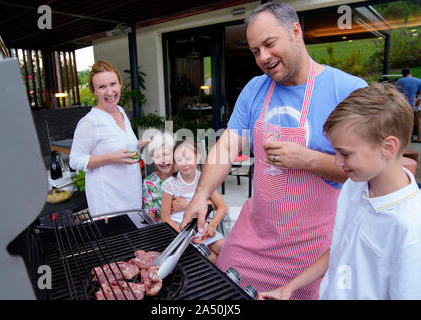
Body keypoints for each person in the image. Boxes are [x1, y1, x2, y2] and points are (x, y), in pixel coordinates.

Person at [181, 2, 367, 299]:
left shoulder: (347, 90)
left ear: (295, 32)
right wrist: (201, 195)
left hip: (314, 245)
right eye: (255, 51)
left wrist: (308, 159)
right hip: (254, 236)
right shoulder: (255, 89)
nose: (263, 57)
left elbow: (366, 169)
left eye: (269, 44)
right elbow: (227, 145)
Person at [258, 83, 421, 300]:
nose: (336, 162)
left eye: (345, 153)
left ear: (388, 147)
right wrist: (288, 288)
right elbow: (342, 249)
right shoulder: (354, 186)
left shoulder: (410, 227)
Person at [69, 60, 148, 217]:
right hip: (108, 200)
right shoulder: (90, 122)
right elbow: (75, 160)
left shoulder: (120, 111)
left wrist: (142, 143)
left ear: (120, 85)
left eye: (113, 84)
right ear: (94, 91)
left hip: (131, 192)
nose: (109, 92)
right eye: (102, 87)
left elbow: (118, 143)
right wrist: (111, 158)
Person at [161, 140, 226, 263]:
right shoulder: (170, 184)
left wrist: (212, 225)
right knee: (212, 259)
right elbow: (165, 217)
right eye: (179, 159)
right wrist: (185, 237)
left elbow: (221, 206)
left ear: (198, 157)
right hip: (180, 231)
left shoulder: (204, 179)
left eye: (189, 158)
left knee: (228, 252)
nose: (184, 163)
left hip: (203, 229)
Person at [142, 132, 190, 222]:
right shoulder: (149, 183)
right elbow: (150, 220)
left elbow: (211, 204)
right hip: (166, 231)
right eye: (157, 156)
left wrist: (188, 204)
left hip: (192, 229)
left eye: (167, 154)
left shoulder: (186, 172)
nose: (163, 161)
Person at [396, 68, 421, 142]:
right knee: (412, 119)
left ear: (402, 74)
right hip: (414, 102)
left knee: (403, 119)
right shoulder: (418, 81)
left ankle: (405, 136)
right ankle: (412, 135)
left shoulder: (399, 81)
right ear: (410, 72)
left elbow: (396, 91)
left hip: (402, 101)